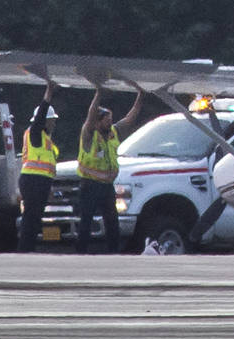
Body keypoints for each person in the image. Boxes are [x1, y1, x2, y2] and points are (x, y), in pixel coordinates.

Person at [76, 88, 142, 254]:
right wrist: (98, 94)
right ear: (97, 122)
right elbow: (90, 116)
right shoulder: (89, 134)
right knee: (85, 222)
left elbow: (129, 119)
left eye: (110, 120)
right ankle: (80, 253)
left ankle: (114, 253)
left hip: (106, 187)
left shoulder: (113, 133)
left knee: (112, 222)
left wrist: (140, 96)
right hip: (90, 185)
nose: (110, 123)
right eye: (106, 120)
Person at [17, 83, 61, 252]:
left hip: (40, 182)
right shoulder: (35, 133)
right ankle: (24, 249)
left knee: (35, 218)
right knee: (30, 217)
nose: (54, 124)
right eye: (52, 121)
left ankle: (29, 247)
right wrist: (48, 94)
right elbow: (41, 114)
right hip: (32, 180)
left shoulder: (44, 138)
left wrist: (49, 186)